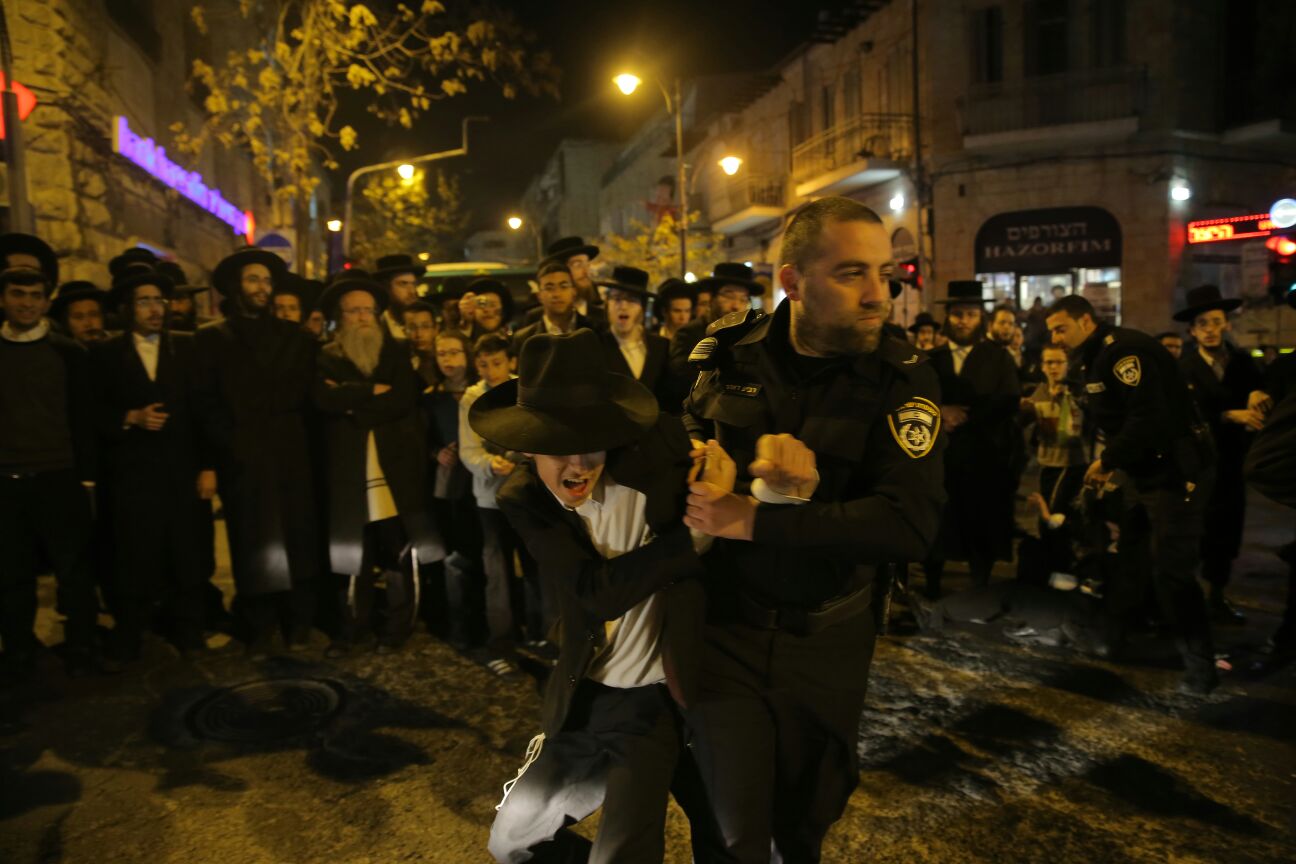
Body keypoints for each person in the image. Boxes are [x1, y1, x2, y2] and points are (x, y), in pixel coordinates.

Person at [680, 197, 945, 861]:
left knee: (803, 824)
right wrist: (694, 464)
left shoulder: (902, 380)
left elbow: (908, 525)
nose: (878, 295)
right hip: (724, 631)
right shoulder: (726, 354)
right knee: (723, 823)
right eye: (852, 274)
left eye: (886, 273)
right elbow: (682, 430)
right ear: (793, 282)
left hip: (825, 641)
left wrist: (759, 520)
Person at [477, 329, 716, 864]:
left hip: (656, 697)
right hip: (587, 696)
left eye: (590, 443)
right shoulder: (523, 497)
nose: (577, 464)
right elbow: (592, 594)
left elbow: (707, 438)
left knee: (642, 847)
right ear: (525, 444)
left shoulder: (661, 463)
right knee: (510, 842)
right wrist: (690, 542)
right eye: (556, 448)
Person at [1045, 294, 1218, 694]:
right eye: (1052, 330)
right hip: (1143, 473)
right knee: (1128, 558)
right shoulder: (1092, 357)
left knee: (1172, 570)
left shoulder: (1123, 351)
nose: (1055, 336)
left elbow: (1148, 416)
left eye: (1061, 328)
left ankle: (1200, 666)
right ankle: (1114, 637)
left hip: (1175, 472)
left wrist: (1108, 462)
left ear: (1085, 321)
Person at [193, 247, 321, 658]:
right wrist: (223, 452)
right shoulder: (212, 339)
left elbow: (309, 399)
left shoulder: (296, 339)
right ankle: (262, 626)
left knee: (298, 535)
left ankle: (298, 622)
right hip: (243, 455)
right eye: (253, 279)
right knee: (253, 540)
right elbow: (205, 402)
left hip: (290, 451)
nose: (261, 288)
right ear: (236, 286)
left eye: (267, 280)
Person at [313, 276, 442, 655]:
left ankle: (397, 628)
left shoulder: (397, 352)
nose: (363, 317)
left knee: (397, 551)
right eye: (354, 311)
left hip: (394, 468)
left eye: (368, 310)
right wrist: (370, 393)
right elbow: (323, 398)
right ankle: (353, 627)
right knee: (352, 551)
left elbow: (401, 400)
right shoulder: (326, 355)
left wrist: (350, 402)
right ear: (341, 316)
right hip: (348, 468)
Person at [91, 263, 209, 661]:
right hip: (131, 474)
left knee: (186, 550)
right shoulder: (105, 354)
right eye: (145, 302)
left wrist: (209, 466)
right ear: (127, 308)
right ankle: (130, 632)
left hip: (181, 469)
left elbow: (206, 412)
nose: (155, 309)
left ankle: (189, 630)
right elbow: (87, 413)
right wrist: (130, 418)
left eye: (159, 300)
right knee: (132, 555)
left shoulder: (189, 347)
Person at [0, 266, 107, 677]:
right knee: (12, 576)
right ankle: (19, 653)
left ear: (46, 302)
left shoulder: (67, 353)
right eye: (17, 293)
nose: (26, 302)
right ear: (4, 298)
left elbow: (83, 420)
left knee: (74, 572)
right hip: (7, 482)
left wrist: (87, 478)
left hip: (58, 477)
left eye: (34, 295)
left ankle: (81, 648)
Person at [1174, 284, 1266, 624]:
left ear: (1226, 323)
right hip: (1196, 465)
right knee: (1195, 531)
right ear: (1192, 329)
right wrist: (1228, 415)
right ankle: (1189, 599)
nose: (1210, 329)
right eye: (1203, 323)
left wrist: (1258, 393)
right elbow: (1180, 418)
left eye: (1215, 322)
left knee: (1227, 532)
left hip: (1232, 463)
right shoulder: (1183, 367)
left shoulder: (1242, 363)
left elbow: (1265, 389)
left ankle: (1217, 596)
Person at [923, 280, 1021, 596]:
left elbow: (1008, 400)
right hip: (942, 460)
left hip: (984, 459)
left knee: (982, 525)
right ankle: (932, 585)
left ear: (981, 318)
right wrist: (939, 411)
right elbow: (915, 400)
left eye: (970, 314)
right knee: (938, 525)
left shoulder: (998, 358)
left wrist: (965, 415)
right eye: (957, 314)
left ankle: (980, 584)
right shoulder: (930, 360)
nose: (963, 320)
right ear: (947, 317)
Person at [459, 332, 526, 676]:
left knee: (536, 565)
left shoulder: (522, 388)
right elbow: (468, 449)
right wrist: (488, 464)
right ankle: (501, 642)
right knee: (497, 571)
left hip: (526, 491)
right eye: (483, 364)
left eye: (497, 362)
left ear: (510, 361)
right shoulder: (472, 396)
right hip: (489, 496)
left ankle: (544, 634)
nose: (490, 370)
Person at [419, 330, 482, 650]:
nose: (449, 360)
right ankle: (451, 622)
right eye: (442, 353)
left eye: (454, 352)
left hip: (481, 483)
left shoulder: (480, 391)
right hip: (449, 485)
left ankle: (480, 621)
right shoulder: (431, 396)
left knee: (480, 555)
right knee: (454, 554)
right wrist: (436, 453)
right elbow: (423, 437)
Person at [1019, 344, 1088, 577]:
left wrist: (1067, 402)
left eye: (1058, 362)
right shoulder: (1038, 393)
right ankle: (1050, 571)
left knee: (1057, 517)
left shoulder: (1076, 393)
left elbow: (1076, 431)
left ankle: (1062, 572)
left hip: (1071, 465)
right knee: (1044, 520)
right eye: (1049, 362)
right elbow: (1026, 427)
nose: (1054, 367)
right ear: (1042, 366)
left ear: (1067, 365)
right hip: (1046, 463)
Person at [668, 262, 765, 384]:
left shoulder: (753, 337)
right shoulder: (688, 334)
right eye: (729, 296)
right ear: (712, 298)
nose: (736, 305)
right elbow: (682, 380)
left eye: (743, 299)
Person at [597, 266, 674, 404]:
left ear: (642, 308)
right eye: (617, 298)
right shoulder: (596, 345)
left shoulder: (661, 347)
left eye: (632, 299)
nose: (623, 306)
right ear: (607, 304)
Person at [510, 261, 595, 355]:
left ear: (574, 291)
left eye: (564, 286)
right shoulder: (524, 339)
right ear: (539, 296)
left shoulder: (596, 330)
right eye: (549, 288)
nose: (557, 294)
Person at [526, 236, 607, 328]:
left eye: (587, 264)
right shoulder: (535, 319)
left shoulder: (602, 317)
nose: (586, 272)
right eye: (577, 264)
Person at [374, 254, 422, 340]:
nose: (412, 291)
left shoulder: (426, 324)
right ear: (385, 287)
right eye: (403, 284)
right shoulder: (375, 327)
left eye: (414, 284)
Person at [49, 281, 110, 345]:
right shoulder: (58, 352)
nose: (88, 323)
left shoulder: (119, 347)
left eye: (94, 315)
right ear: (66, 322)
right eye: (78, 317)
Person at [156, 262, 209, 333]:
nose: (174, 308)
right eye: (166, 300)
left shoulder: (208, 336)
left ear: (192, 301)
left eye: (180, 299)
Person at [401, 300, 440, 384]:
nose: (419, 334)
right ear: (404, 331)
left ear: (436, 329)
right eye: (412, 328)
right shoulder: (401, 363)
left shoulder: (446, 358)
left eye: (425, 326)